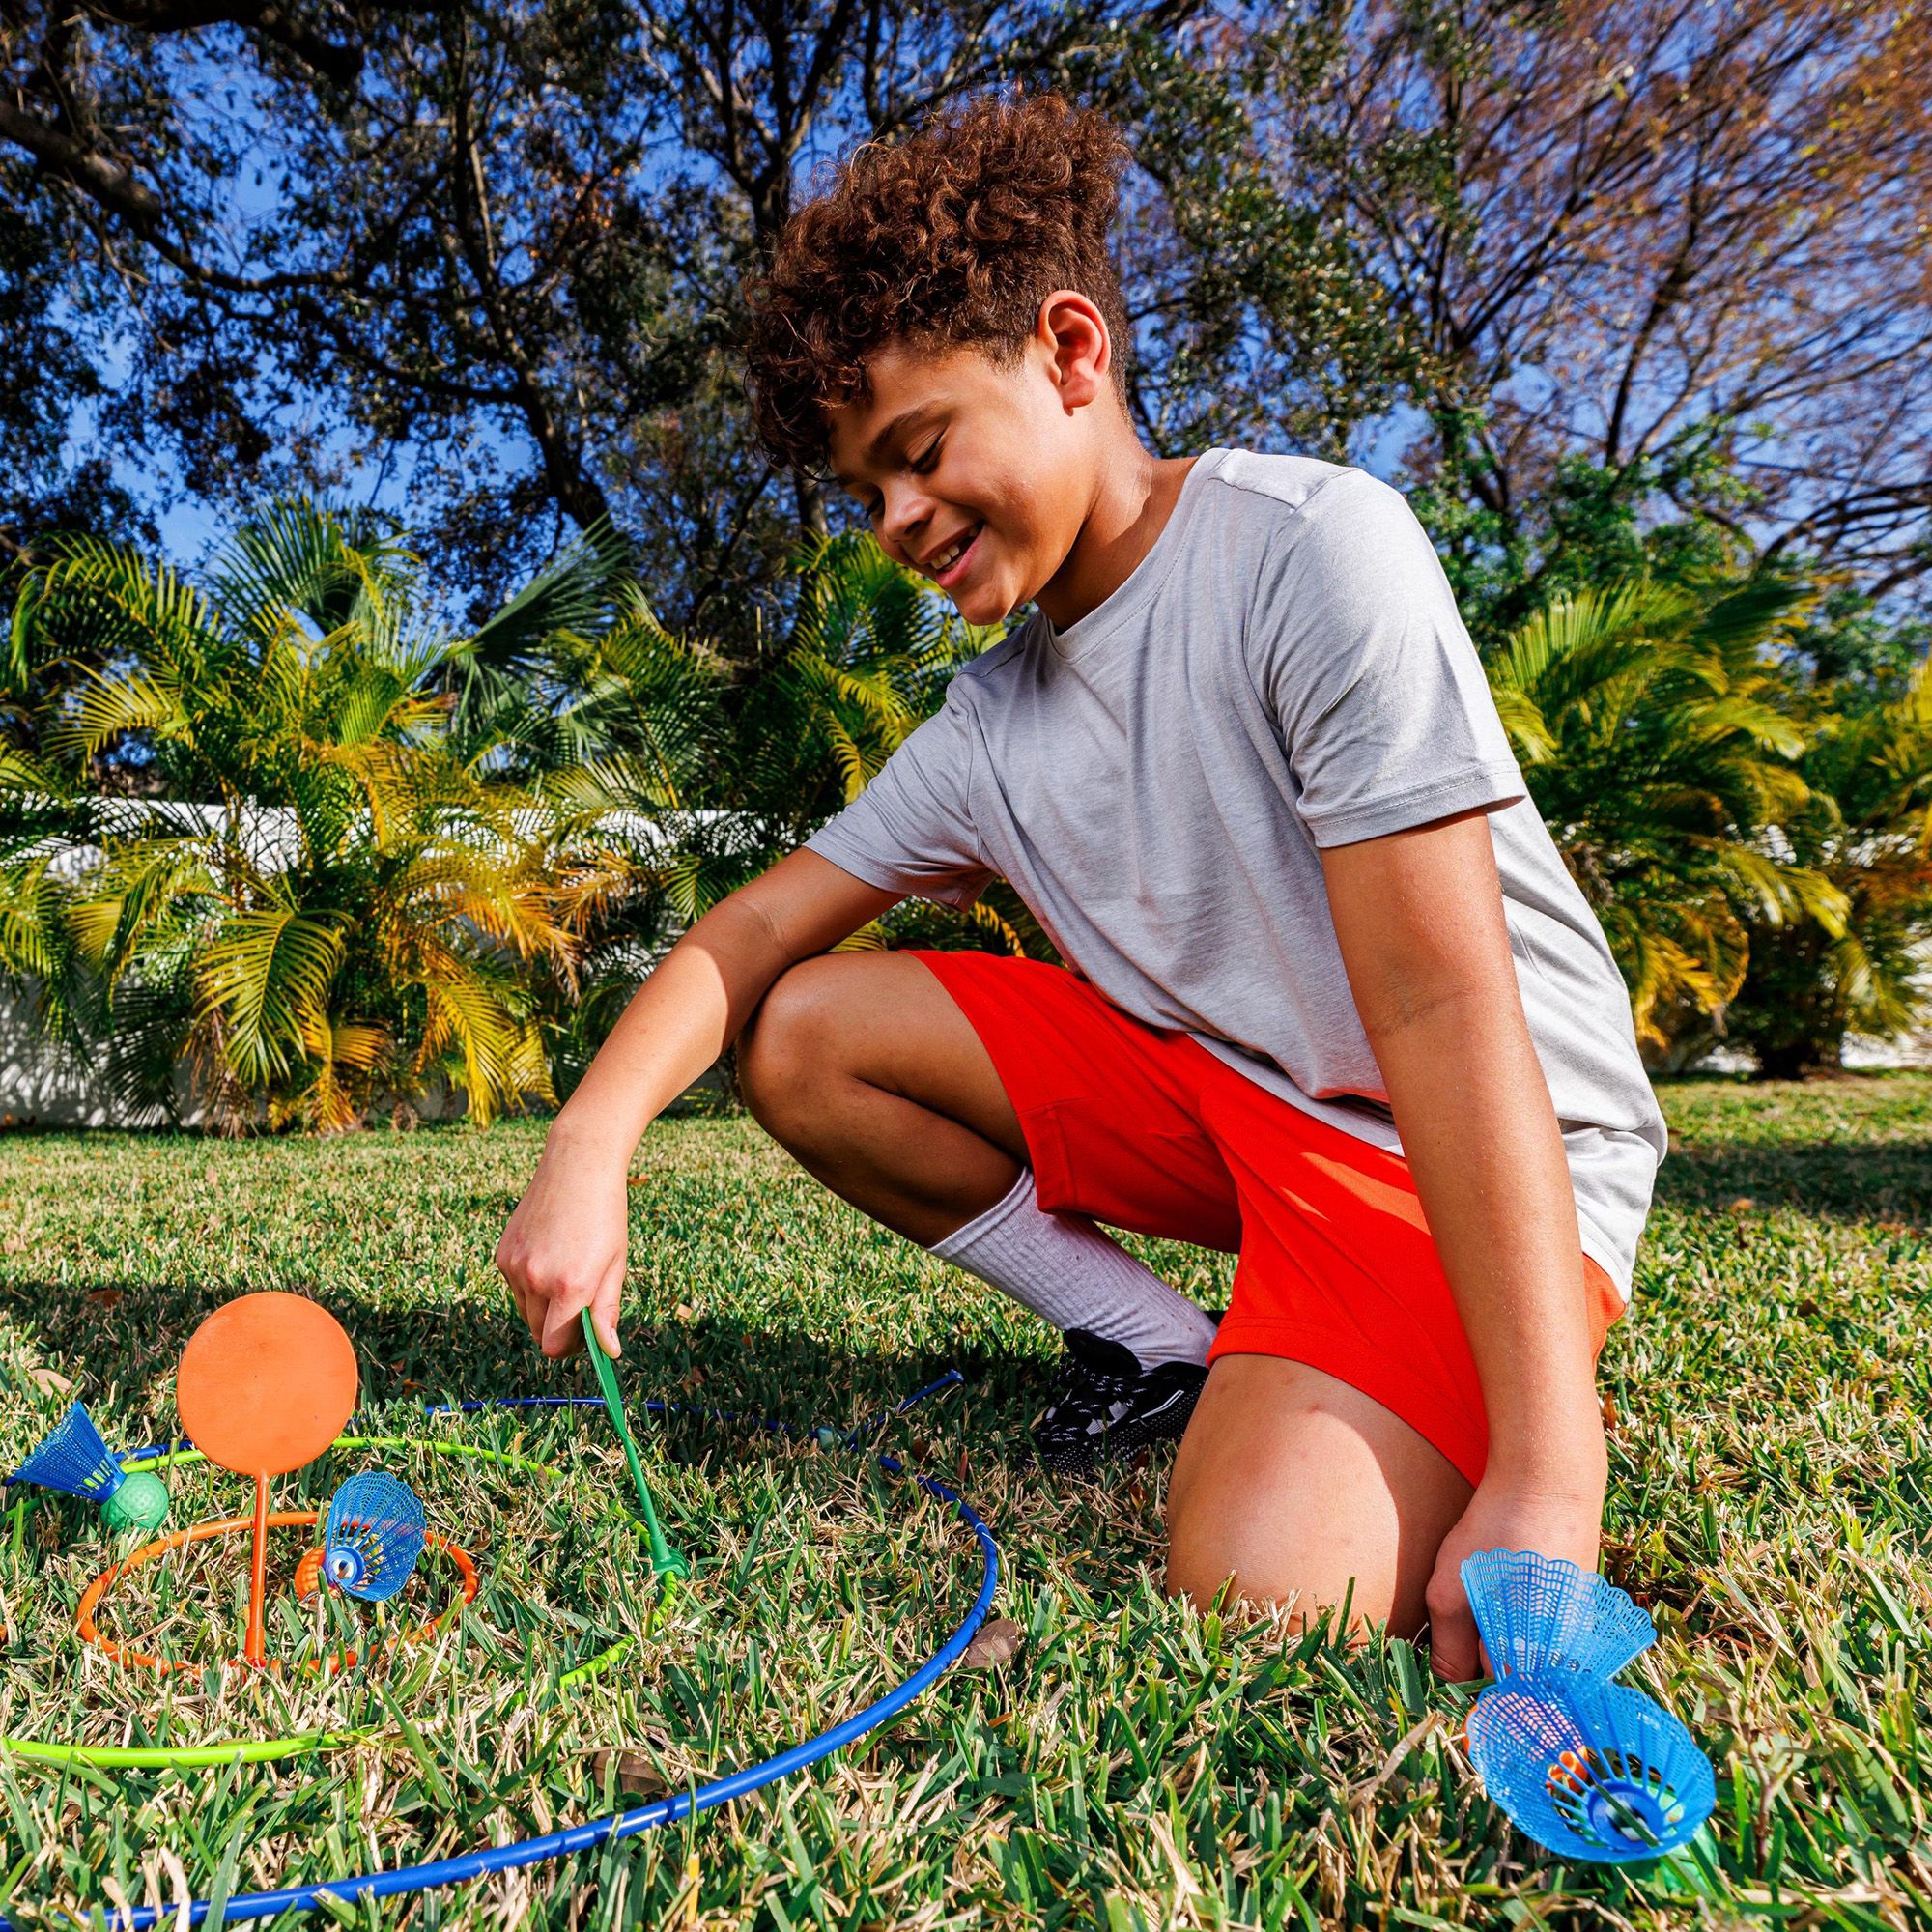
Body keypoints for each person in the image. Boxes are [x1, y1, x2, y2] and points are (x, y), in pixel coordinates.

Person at [494, 92, 1665, 1675]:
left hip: (1455, 1133)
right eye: (867, 493)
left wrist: (1548, 1466)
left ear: (1069, 351)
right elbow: (756, 927)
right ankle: (1150, 1343)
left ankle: (1453, 1364)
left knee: (1264, 1585)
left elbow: (1444, 1004)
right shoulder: (991, 725)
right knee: (805, 1028)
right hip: (1236, 1105)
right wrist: (590, 1140)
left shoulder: (1313, 550)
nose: (899, 521)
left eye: (919, 453)